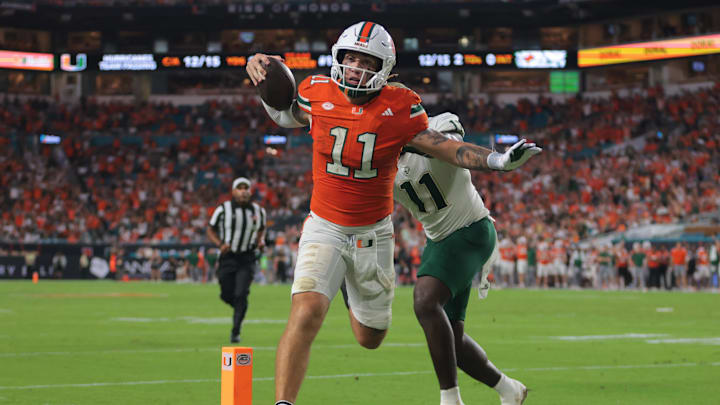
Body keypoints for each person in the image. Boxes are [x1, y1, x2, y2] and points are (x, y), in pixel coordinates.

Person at [246, 21, 540, 405]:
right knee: (307, 310)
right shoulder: (317, 92)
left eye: (366, 62)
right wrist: (262, 71)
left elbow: (448, 148)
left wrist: (497, 160)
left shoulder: (401, 113)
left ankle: (498, 386)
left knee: (372, 337)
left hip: (375, 233)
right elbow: (289, 112)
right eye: (350, 58)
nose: (355, 68)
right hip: (324, 224)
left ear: (384, 69)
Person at [394, 113, 528, 405]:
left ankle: (450, 400)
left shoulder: (439, 126)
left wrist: (498, 161)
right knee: (450, 340)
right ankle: (509, 390)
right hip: (439, 240)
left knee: (425, 302)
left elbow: (454, 150)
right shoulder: (378, 153)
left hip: (470, 229)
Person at [207, 177, 267, 343]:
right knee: (226, 294)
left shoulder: (258, 211)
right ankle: (241, 307)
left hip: (247, 257)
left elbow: (261, 229)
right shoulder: (223, 209)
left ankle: (235, 331)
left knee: (241, 294)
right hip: (228, 256)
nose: (243, 191)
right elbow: (210, 229)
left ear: (250, 191)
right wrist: (220, 244)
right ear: (233, 192)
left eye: (246, 188)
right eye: (239, 188)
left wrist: (260, 241)